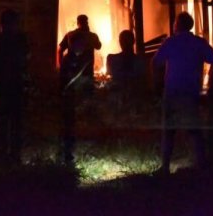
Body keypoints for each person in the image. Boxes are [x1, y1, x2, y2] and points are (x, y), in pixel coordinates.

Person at [152, 12, 213, 176]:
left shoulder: (170, 42)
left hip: (172, 90)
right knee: (194, 129)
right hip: (191, 91)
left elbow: (155, 62)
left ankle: (165, 167)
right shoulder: (198, 42)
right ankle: (201, 164)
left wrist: (156, 84)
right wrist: (211, 82)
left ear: (177, 25)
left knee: (169, 130)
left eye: (175, 22)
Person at [57, 14, 102, 164]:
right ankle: (84, 132)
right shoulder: (90, 35)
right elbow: (99, 46)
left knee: (73, 108)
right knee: (84, 104)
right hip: (85, 75)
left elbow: (60, 49)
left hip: (75, 75)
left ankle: (74, 135)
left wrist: (59, 66)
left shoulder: (71, 35)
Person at [0, 9, 30, 161]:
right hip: (16, 85)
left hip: (1, 85)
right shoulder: (21, 39)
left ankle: (1, 154)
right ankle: (14, 155)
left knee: (3, 122)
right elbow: (26, 59)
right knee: (16, 122)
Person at [106, 30, 146, 103]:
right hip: (135, 98)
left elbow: (109, 73)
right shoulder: (140, 60)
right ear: (133, 41)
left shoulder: (111, 58)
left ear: (120, 42)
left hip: (117, 99)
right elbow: (142, 78)